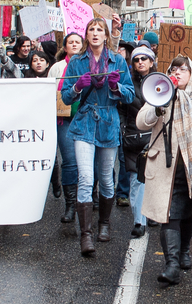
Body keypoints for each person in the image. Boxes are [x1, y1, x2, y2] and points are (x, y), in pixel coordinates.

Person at [137, 56, 192, 285]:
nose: (177, 73)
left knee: (188, 213)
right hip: (166, 168)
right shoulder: (162, 93)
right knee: (169, 215)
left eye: (183, 69)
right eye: (173, 69)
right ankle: (172, 265)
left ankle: (184, 251)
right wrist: (159, 107)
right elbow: (142, 122)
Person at [61, 19, 135, 256]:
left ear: (106, 36)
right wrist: (76, 88)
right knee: (85, 176)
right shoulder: (76, 61)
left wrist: (116, 88)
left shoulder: (118, 60)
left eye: (99, 30)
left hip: (108, 123)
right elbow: (65, 97)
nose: (95, 33)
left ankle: (104, 223)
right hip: (83, 123)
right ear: (86, 35)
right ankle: (86, 235)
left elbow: (130, 95)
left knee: (106, 177)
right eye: (91, 29)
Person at [119, 45, 157, 237]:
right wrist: (123, 129)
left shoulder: (161, 82)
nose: (140, 62)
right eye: (136, 59)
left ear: (151, 61)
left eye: (144, 58)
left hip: (157, 136)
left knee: (155, 179)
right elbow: (122, 110)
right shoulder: (127, 83)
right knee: (137, 180)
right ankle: (138, 221)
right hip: (134, 138)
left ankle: (153, 213)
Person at [49, 33, 84, 223]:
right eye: (70, 42)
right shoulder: (57, 68)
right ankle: (70, 205)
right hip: (64, 120)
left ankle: (89, 198)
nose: (74, 44)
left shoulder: (88, 64)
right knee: (69, 161)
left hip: (85, 118)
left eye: (77, 42)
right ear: (65, 47)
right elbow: (48, 92)